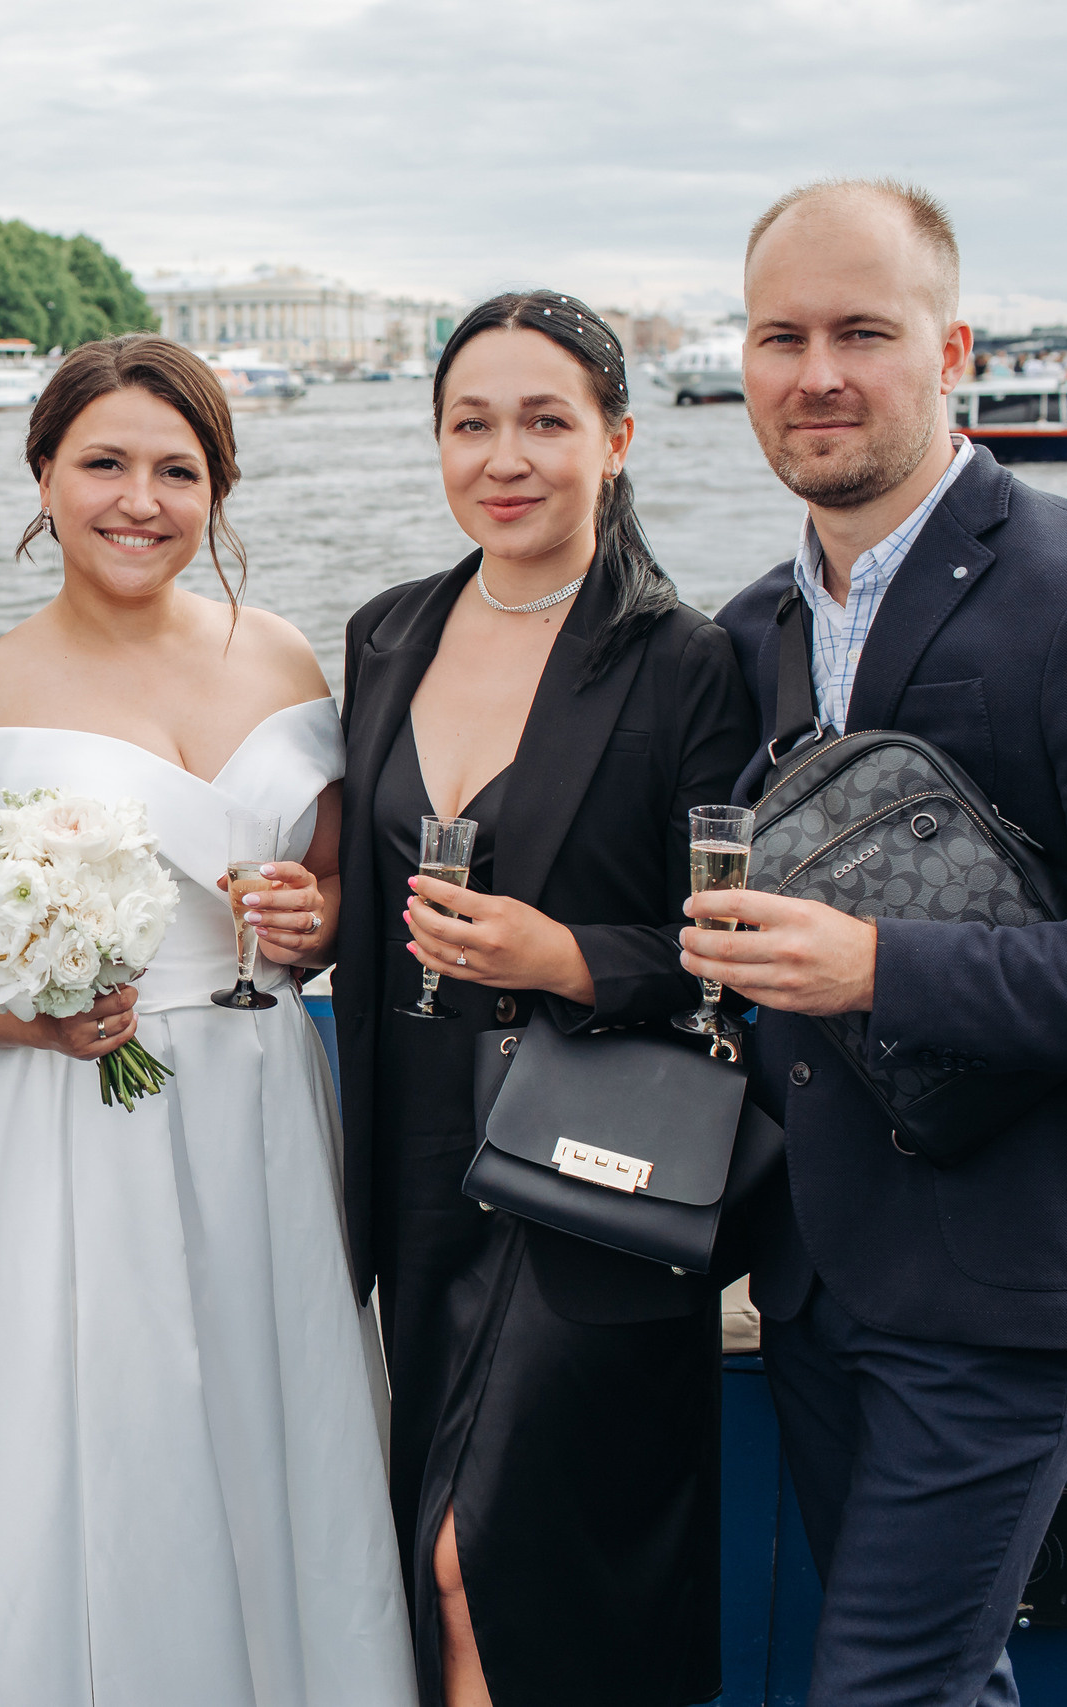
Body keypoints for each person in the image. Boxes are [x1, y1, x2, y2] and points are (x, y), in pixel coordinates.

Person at [690, 178, 1067, 1707]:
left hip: (1003, 1277)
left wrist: (880, 969)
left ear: (953, 347)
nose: (818, 372)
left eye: (863, 331)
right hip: (813, 1270)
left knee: (884, 1690)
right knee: (944, 1684)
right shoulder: (748, 630)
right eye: (781, 335)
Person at [0, 335, 416, 1707]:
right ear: (43, 475)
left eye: (177, 471)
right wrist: (36, 1025)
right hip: (69, 1109)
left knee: (269, 1427)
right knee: (73, 1438)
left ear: (218, 491)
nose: (139, 499)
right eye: (104, 464)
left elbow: (330, 878)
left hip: (262, 1099)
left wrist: (314, 923)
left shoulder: (278, 654)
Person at [333, 291, 758, 1707]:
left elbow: (733, 949)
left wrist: (563, 957)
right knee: (424, 1540)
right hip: (413, 1166)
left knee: (490, 1555)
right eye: (470, 424)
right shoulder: (387, 632)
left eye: (545, 422)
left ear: (617, 441)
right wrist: (299, 915)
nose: (503, 457)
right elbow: (369, 898)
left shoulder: (686, 660)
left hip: (590, 1174)